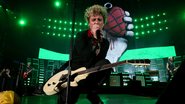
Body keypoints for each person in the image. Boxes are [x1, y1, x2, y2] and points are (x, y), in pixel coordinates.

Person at [57, 4, 112, 104]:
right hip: (76, 74)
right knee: (66, 101)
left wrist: (99, 41)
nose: (96, 22)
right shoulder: (81, 35)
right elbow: (84, 57)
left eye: (99, 20)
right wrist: (95, 39)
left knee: (106, 63)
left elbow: (99, 63)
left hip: (90, 75)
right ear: (89, 23)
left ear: (103, 23)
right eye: (93, 19)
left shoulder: (105, 43)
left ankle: (92, 92)